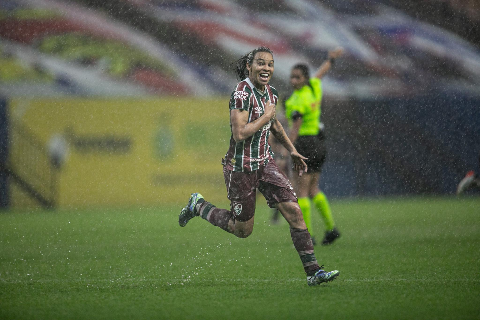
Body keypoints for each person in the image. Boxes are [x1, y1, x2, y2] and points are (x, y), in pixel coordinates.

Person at [179, 46, 339, 286]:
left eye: (270, 64)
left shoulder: (271, 93)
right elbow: (240, 132)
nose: (266, 68)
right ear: (249, 67)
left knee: (295, 212)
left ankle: (313, 272)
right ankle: (198, 205)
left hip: (265, 164)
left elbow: (274, 126)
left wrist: (292, 150)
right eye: (261, 63)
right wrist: (265, 117)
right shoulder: (241, 93)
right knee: (242, 230)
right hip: (241, 167)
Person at [285, 48, 343, 245]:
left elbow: (295, 127)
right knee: (314, 189)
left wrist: (289, 149)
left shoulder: (296, 100)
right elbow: (321, 73)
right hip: (319, 143)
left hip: (304, 144)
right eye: (292, 77)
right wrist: (331, 60)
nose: (293, 81)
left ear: (304, 79)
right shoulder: (313, 87)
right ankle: (331, 228)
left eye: (297, 77)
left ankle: (306, 235)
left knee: (301, 191)